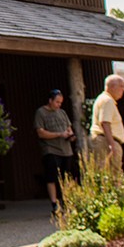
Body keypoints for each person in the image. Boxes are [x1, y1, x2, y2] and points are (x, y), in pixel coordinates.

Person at [34, 88, 78, 216]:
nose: (59, 105)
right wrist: (59, 134)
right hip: (51, 149)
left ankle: (67, 202)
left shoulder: (62, 113)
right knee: (52, 177)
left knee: (67, 177)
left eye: (60, 102)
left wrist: (70, 135)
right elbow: (40, 132)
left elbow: (69, 129)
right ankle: (54, 204)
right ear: (50, 100)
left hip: (66, 150)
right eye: (57, 102)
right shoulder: (41, 113)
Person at [89, 74, 124, 173]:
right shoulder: (107, 100)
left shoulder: (105, 99)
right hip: (105, 141)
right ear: (112, 87)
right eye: (121, 86)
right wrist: (112, 144)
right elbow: (105, 122)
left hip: (106, 140)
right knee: (111, 174)